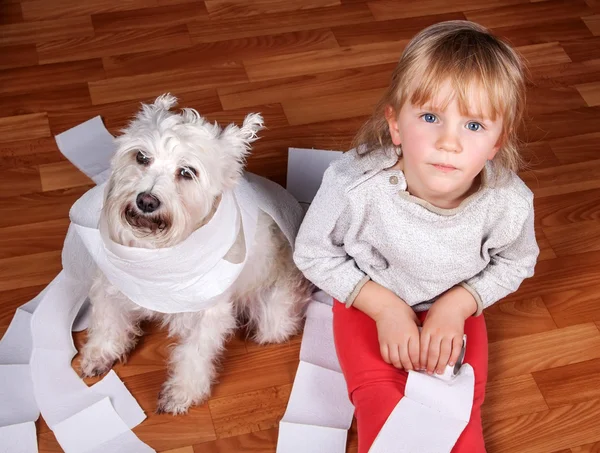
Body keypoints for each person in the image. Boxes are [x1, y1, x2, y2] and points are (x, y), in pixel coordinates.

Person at [293, 20, 540, 452]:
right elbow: (312, 253)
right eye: (430, 117)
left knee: (457, 417)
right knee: (382, 408)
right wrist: (383, 307)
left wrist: (458, 305)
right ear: (395, 125)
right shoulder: (351, 186)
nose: (449, 142)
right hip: (368, 300)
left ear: (497, 141)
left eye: (474, 126)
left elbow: (517, 262)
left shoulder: (510, 202)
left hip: (456, 302)